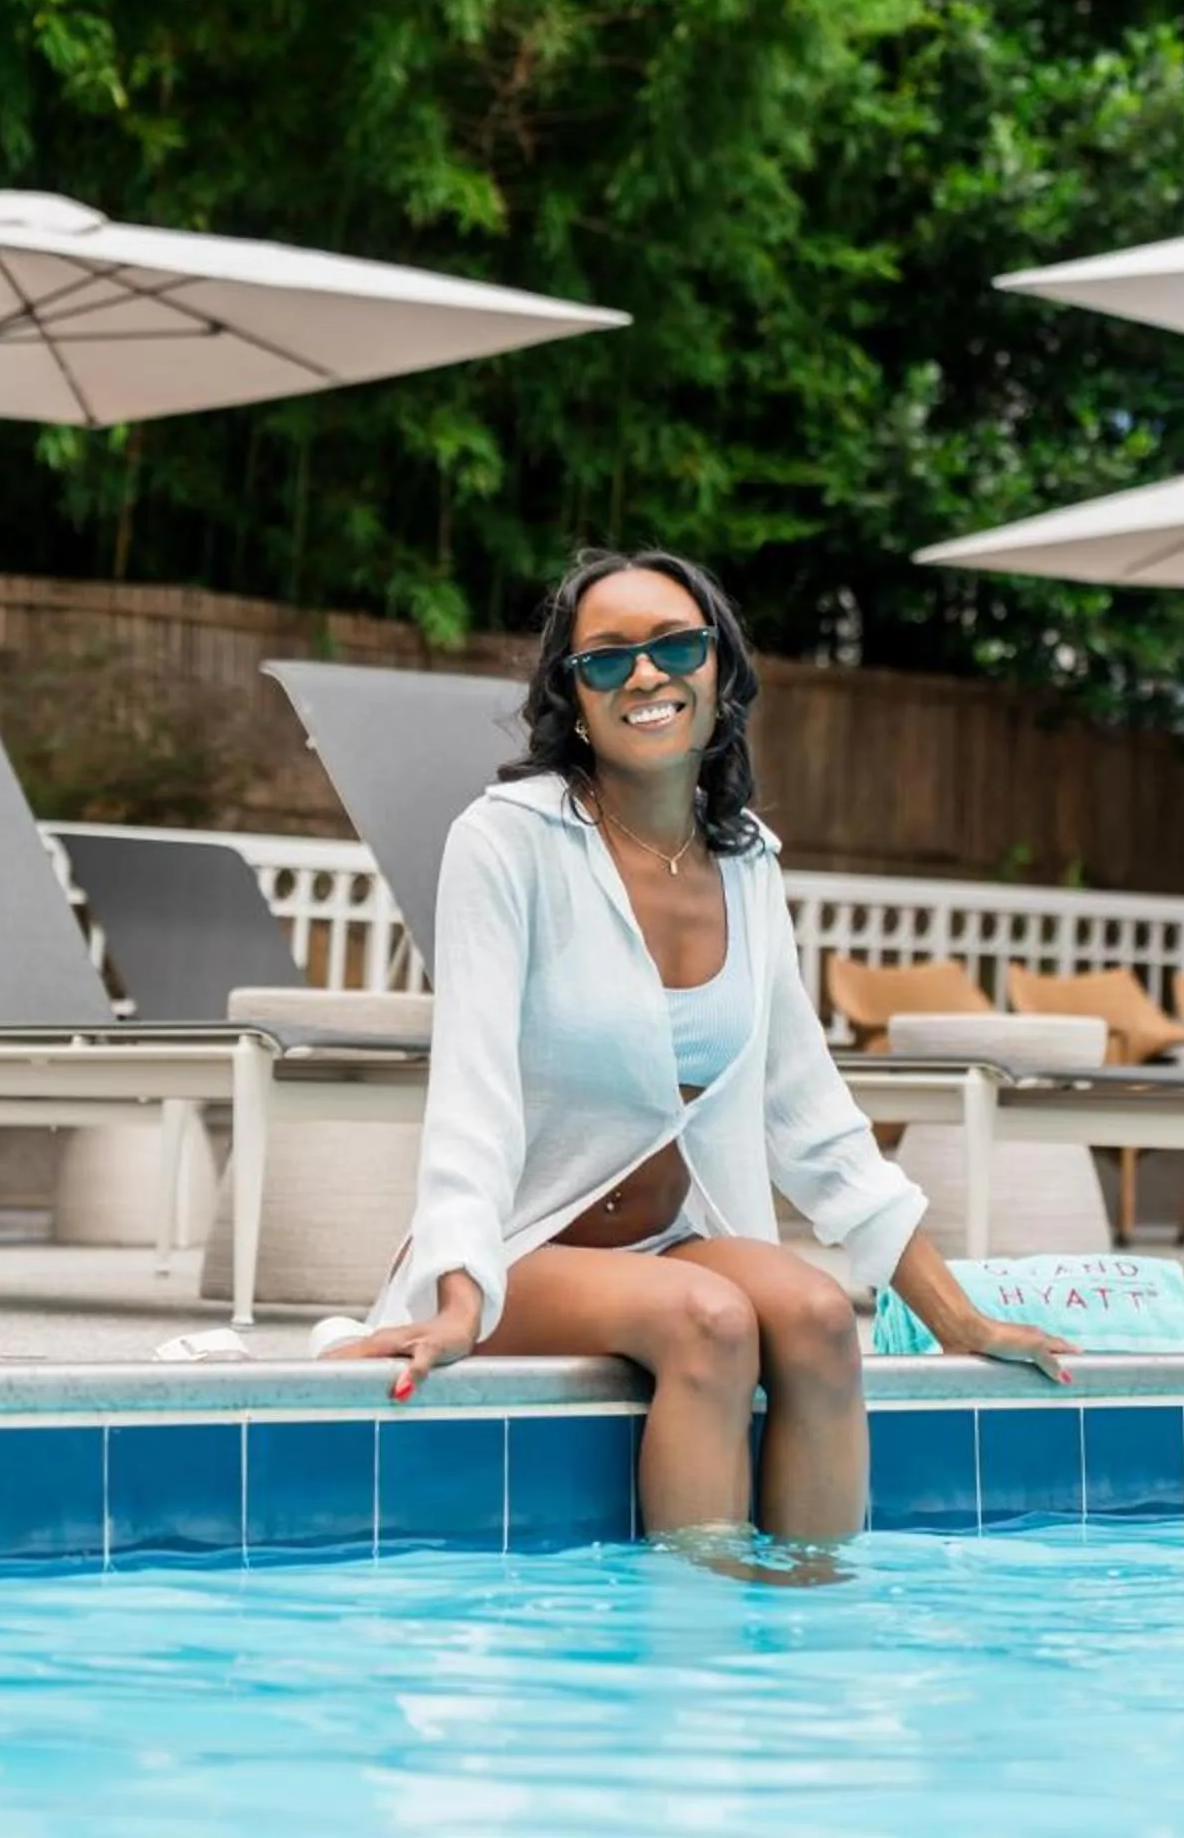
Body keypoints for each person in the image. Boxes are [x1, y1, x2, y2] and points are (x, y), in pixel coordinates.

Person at [323, 547, 1072, 1545]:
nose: (645, 675)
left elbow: (809, 1114)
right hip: (519, 1250)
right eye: (606, 659)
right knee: (708, 1320)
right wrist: (458, 1299)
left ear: (718, 668)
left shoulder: (745, 858)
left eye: (675, 645)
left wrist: (958, 1318)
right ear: (570, 696)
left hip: (677, 1238)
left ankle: (809, 1639)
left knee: (810, 1315)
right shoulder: (505, 840)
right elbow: (471, 1089)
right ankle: (698, 1652)